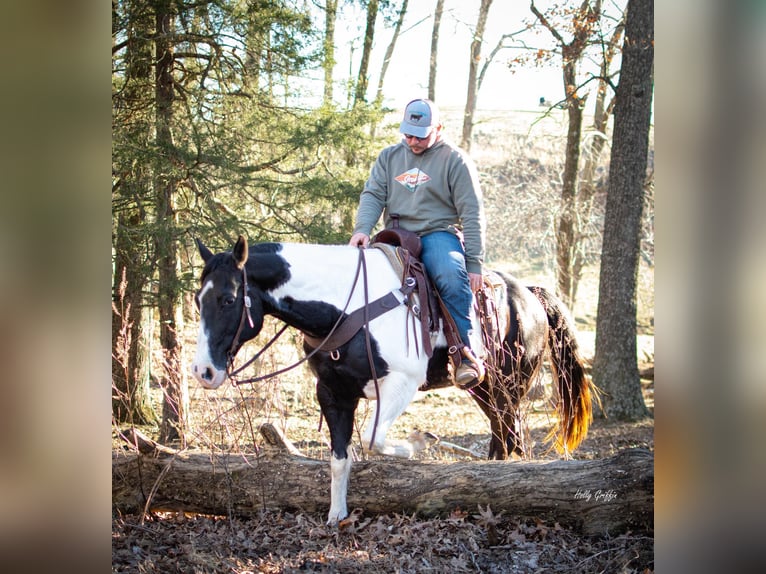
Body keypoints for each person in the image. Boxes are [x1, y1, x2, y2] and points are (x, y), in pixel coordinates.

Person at [348, 98, 487, 388]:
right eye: (407, 133)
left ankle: (465, 353)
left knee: (449, 275)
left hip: (438, 233)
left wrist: (474, 263)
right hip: (396, 233)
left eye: (419, 135)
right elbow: (373, 194)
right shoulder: (389, 157)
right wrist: (362, 229)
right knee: (364, 277)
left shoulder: (454, 160)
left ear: (438, 128)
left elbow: (472, 212)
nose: (412, 140)